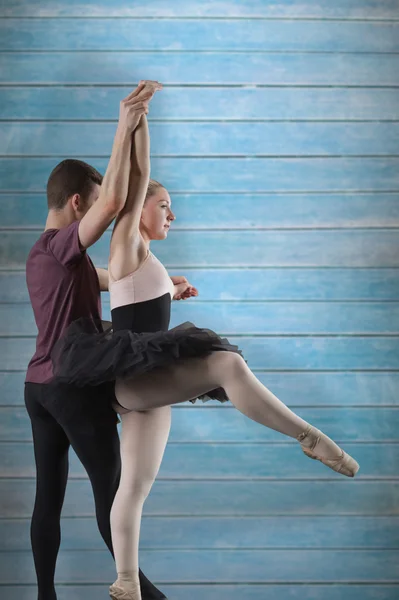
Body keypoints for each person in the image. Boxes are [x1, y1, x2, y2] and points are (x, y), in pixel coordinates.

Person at [49, 81, 360, 600]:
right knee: (225, 366)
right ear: (137, 210)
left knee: (135, 486)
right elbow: (139, 176)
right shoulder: (127, 239)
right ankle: (308, 437)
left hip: (146, 383)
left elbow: (140, 294)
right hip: (135, 373)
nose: (172, 214)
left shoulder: (142, 259)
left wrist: (172, 287)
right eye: (165, 205)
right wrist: (136, 122)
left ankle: (126, 581)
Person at [24, 82, 169, 600]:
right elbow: (111, 203)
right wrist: (125, 122)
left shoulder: (54, 260)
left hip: (37, 388)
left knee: (49, 499)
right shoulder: (60, 245)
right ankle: (144, 593)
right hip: (68, 386)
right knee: (114, 494)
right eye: (90, 205)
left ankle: (45, 595)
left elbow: (116, 279)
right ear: (76, 202)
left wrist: (170, 287)